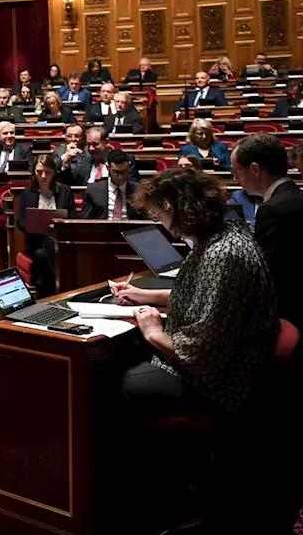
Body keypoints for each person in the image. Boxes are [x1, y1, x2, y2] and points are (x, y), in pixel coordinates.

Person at [110, 171, 293, 533]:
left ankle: (155, 499)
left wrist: (151, 328)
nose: (158, 223)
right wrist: (146, 296)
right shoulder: (224, 236)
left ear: (172, 208)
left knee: (120, 382)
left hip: (229, 380)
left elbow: (198, 352)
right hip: (239, 364)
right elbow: (198, 291)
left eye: (157, 214)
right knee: (129, 362)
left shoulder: (221, 254)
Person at [232, 134, 303, 327]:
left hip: (287, 319)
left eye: (236, 171)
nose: (236, 179)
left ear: (255, 169)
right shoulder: (295, 196)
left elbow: (265, 278)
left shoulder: (272, 210)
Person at [16, 154, 75, 296]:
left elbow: (73, 217)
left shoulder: (65, 191)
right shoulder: (27, 193)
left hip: (60, 240)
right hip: (37, 241)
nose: (43, 176)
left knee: (59, 252)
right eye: (39, 172)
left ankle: (61, 290)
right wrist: (33, 224)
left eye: (47, 172)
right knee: (42, 255)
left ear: (54, 172)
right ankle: (48, 292)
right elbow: (20, 222)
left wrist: (60, 225)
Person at [62, 125, 139, 185]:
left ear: (107, 142)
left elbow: (132, 187)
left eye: (95, 144)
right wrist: (66, 164)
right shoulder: (83, 160)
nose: (91, 148)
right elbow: (72, 185)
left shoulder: (125, 160)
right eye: (88, 145)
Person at [79, 149, 143, 220]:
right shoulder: (92, 191)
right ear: (107, 168)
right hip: (103, 229)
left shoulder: (139, 190)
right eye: (116, 172)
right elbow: (86, 221)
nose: (120, 177)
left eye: (124, 172)